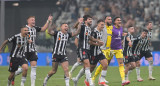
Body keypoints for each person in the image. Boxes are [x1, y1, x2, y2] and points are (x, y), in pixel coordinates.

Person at [13, 15, 53, 86]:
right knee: (24, 68)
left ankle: (33, 84)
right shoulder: (24, 28)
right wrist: (27, 40)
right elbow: (20, 37)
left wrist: (48, 21)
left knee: (34, 67)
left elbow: (43, 29)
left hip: (33, 51)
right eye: (32, 20)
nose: (33, 21)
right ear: (28, 21)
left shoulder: (35, 28)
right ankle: (15, 73)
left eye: (34, 20)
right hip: (24, 51)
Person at [43, 18, 83, 86]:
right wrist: (49, 22)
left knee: (66, 69)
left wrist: (79, 23)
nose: (66, 27)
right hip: (56, 55)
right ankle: (46, 79)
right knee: (53, 71)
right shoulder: (57, 33)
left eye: (67, 26)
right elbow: (49, 31)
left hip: (63, 55)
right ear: (61, 27)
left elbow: (77, 32)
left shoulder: (68, 35)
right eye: (65, 26)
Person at [72, 20, 108, 86]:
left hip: (99, 52)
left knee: (105, 64)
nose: (103, 26)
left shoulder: (101, 32)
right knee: (88, 68)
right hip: (92, 53)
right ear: (98, 25)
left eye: (103, 25)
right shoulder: (93, 32)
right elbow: (89, 42)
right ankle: (79, 79)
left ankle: (102, 81)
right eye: (101, 25)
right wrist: (98, 44)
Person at [92, 16, 113, 83]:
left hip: (106, 49)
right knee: (92, 67)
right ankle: (93, 78)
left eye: (111, 19)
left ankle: (101, 79)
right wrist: (98, 42)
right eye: (108, 19)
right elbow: (91, 39)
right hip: (99, 49)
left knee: (105, 64)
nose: (110, 20)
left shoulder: (110, 28)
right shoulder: (96, 30)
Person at [110, 17, 129, 86]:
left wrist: (123, 36)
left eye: (120, 20)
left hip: (119, 49)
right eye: (118, 20)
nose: (120, 21)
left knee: (121, 64)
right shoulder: (111, 28)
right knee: (105, 65)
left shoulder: (121, 28)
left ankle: (123, 80)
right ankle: (100, 79)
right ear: (114, 22)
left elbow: (119, 36)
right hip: (111, 49)